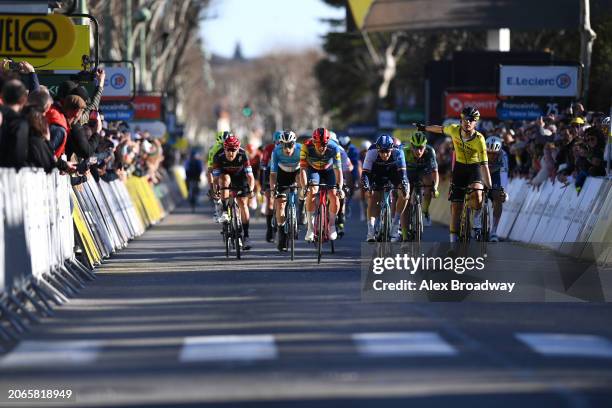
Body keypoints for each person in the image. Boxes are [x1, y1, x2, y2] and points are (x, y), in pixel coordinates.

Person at [417, 106, 492, 242]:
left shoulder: (479, 140)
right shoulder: (454, 129)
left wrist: (490, 187)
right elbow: (439, 129)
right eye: (464, 119)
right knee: (456, 207)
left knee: (477, 193)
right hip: (459, 168)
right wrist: (424, 128)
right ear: (461, 120)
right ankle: (453, 242)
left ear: (476, 122)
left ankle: (476, 218)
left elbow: (484, 166)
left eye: (471, 120)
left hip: (474, 168)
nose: (467, 122)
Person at [361, 134, 409, 242]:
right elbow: (365, 174)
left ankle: (396, 224)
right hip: (377, 172)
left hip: (393, 172)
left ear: (392, 149)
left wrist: (404, 186)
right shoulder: (371, 152)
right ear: (377, 149)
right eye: (381, 151)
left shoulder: (398, 152)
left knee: (405, 193)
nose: (385, 154)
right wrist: (366, 186)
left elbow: (403, 174)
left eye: (387, 151)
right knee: (373, 196)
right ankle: (371, 230)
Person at [299, 128, 344, 242]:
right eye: (319, 144)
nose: (322, 147)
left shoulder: (334, 147)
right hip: (312, 169)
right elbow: (303, 169)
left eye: (324, 144)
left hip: (329, 170)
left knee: (334, 195)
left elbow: (338, 170)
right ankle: (310, 228)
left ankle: (332, 225)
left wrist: (340, 187)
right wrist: (304, 187)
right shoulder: (306, 146)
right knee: (312, 191)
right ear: (314, 142)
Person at [212, 136, 255, 250]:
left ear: (238, 149)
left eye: (234, 150)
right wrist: (215, 191)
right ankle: (225, 211)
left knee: (242, 203)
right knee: (225, 179)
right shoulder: (218, 156)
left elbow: (250, 176)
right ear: (224, 149)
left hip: (240, 178)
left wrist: (251, 190)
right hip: (224, 177)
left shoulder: (243, 154)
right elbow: (215, 179)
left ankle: (246, 235)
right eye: (228, 150)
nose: (231, 153)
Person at [401, 131, 439, 240]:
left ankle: (425, 211)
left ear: (425, 146)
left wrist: (435, 187)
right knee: (406, 203)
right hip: (408, 173)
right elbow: (399, 172)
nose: (418, 151)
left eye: (421, 148)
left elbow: (435, 172)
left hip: (423, 172)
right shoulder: (404, 152)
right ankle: (404, 236)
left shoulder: (430, 151)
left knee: (429, 184)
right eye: (415, 148)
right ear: (411, 146)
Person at [269, 130, 302, 251]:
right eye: (284, 145)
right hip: (282, 174)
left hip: (297, 172)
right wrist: (273, 189)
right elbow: (273, 174)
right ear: (280, 144)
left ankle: (302, 207)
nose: (287, 149)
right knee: (280, 204)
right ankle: (282, 233)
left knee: (301, 180)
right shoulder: (276, 152)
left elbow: (305, 170)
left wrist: (305, 187)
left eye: (290, 145)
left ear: (295, 143)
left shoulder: (301, 150)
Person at [0, 79, 29, 169]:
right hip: (9, 176)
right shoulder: (20, 123)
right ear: (23, 99)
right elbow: (18, 156)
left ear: (3, 97)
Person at [485, 136, 508, 242]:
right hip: (482, 173)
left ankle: (493, 231)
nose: (491, 156)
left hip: (495, 175)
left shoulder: (503, 155)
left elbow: (504, 174)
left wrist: (503, 191)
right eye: (489, 152)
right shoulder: (480, 151)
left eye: (494, 153)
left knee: (498, 196)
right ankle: (476, 221)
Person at [261, 131, 282, 242]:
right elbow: (263, 168)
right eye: (277, 142)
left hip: (285, 174)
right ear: (274, 142)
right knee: (270, 201)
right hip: (270, 174)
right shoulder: (269, 149)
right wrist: (263, 186)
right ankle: (270, 228)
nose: (280, 144)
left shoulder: (288, 150)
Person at [207, 131, 232, 219]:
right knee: (217, 182)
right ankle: (218, 207)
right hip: (219, 169)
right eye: (222, 146)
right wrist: (212, 188)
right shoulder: (214, 150)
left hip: (232, 168)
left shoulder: (234, 147)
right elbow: (210, 170)